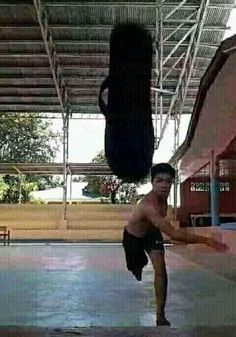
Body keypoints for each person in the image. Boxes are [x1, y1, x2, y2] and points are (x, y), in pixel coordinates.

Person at [122, 163, 228, 326]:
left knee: (161, 271)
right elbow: (173, 234)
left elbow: (168, 230)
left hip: (152, 234)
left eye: (168, 181)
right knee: (137, 266)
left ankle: (160, 316)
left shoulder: (164, 199)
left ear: (172, 183)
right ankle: (137, 267)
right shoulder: (148, 205)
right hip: (133, 237)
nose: (164, 185)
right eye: (159, 181)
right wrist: (206, 240)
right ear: (152, 182)